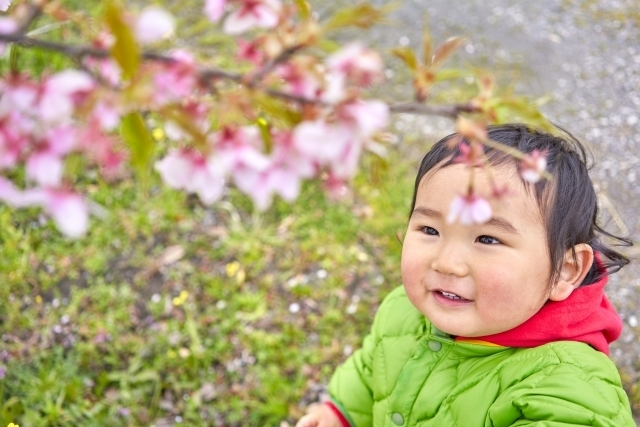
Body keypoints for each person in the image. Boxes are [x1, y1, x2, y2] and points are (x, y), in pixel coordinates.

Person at [296, 123, 636, 427]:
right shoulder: (406, 308)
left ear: (565, 270)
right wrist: (340, 414)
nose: (447, 263)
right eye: (429, 229)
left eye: (487, 239)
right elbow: (374, 367)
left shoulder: (568, 389)